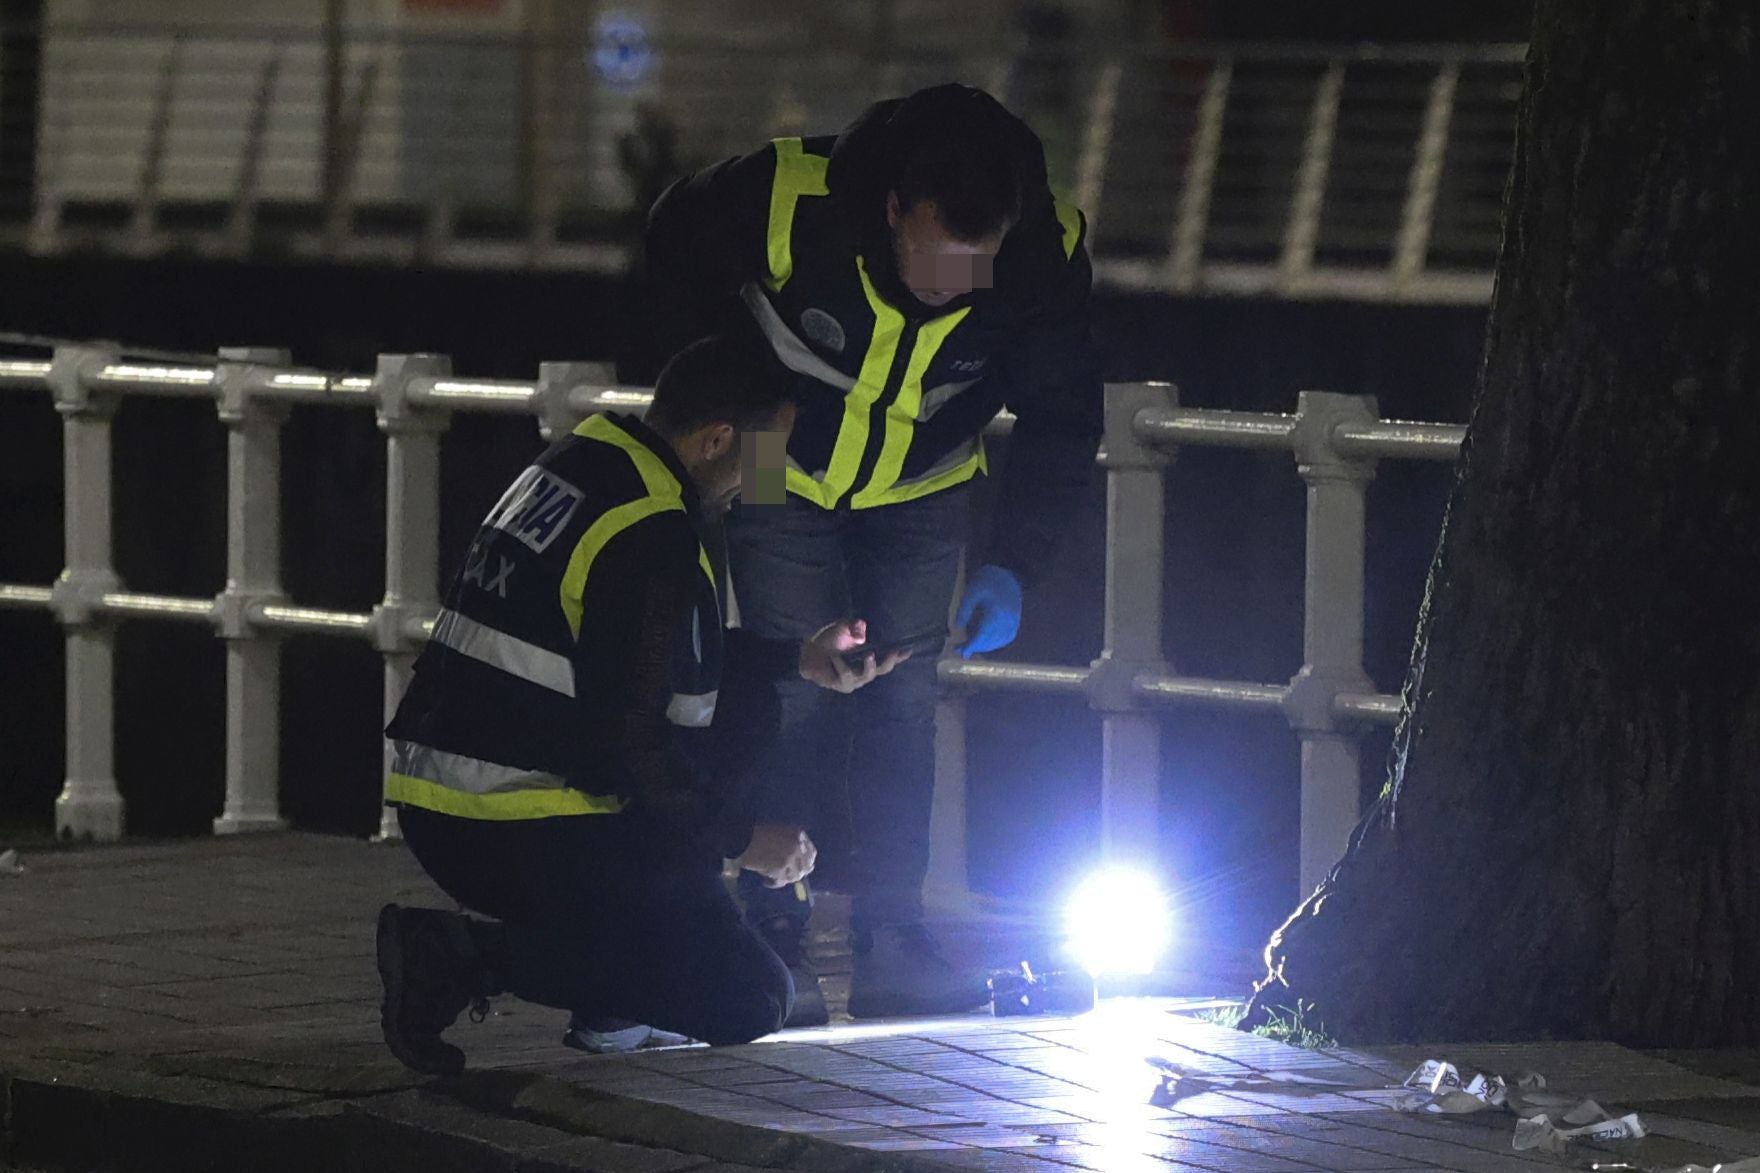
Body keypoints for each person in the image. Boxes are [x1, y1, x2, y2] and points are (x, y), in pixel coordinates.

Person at [642, 84, 1104, 1024]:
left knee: (904, 702)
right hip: (778, 469)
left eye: (973, 263)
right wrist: (726, 407)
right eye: (932, 252)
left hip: (925, 486)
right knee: (787, 687)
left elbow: (1062, 415)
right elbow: (668, 241)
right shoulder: (786, 199)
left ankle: (894, 939)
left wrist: (1014, 561)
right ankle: (772, 931)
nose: (947, 281)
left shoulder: (1041, 256)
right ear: (891, 208)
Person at [374, 334, 904, 1075]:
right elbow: (630, 741)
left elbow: (635, 659)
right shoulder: (652, 531)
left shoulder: (591, 459)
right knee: (748, 997)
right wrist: (743, 838)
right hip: (515, 818)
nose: (772, 475)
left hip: (453, 797)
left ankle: (614, 991)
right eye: (767, 454)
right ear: (718, 439)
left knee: (745, 706)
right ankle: (460, 957)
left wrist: (794, 657)